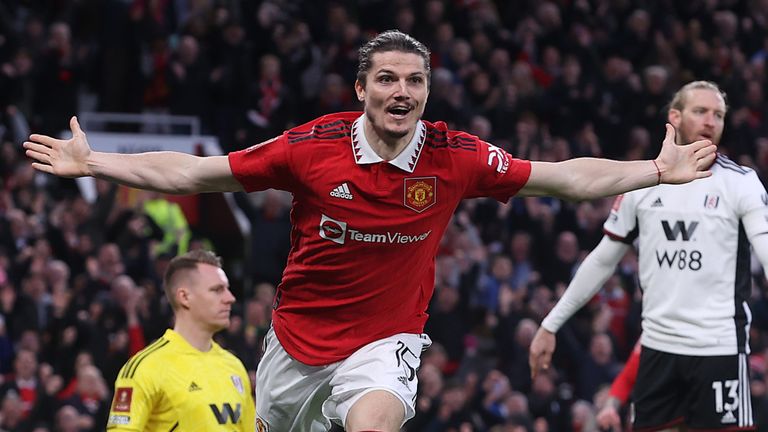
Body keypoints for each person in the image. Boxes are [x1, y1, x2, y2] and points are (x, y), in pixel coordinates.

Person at [25, 31, 716, 432]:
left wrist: (654, 169)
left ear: (426, 92)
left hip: (386, 343)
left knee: (374, 423)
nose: (401, 92)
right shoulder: (311, 148)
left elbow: (563, 177)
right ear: (361, 89)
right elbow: (195, 173)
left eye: (414, 81)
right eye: (386, 78)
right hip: (295, 345)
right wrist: (97, 163)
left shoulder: (456, 157)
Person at [529, 81, 763, 430]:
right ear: (675, 116)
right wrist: (550, 323)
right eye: (700, 111)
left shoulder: (741, 183)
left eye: (718, 114)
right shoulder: (644, 183)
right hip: (657, 349)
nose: (711, 121)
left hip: (720, 349)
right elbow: (603, 259)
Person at [104, 250, 255, 430]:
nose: (230, 298)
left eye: (227, 289)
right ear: (184, 297)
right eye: (217, 290)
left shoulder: (234, 366)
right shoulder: (146, 367)